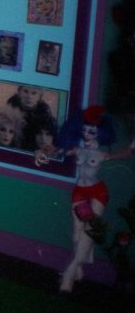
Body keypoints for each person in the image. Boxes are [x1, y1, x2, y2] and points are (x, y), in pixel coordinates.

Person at [35, 106, 118, 292]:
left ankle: (70, 272)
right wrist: (41, 153)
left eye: (92, 131)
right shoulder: (77, 149)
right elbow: (56, 150)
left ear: (100, 132)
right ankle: (80, 264)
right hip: (80, 191)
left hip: (98, 192)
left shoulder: (101, 154)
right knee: (76, 233)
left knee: (89, 231)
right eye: (85, 129)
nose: (87, 133)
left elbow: (124, 154)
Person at [7, 84, 55, 151]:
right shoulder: (12, 104)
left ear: (39, 97)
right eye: (25, 91)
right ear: (19, 93)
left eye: (34, 93)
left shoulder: (44, 110)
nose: (29, 96)